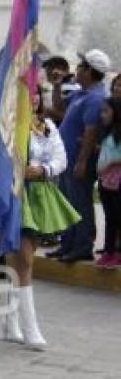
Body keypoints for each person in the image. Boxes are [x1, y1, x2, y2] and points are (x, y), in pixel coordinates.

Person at [0, 95, 80, 349]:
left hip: (39, 195)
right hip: (11, 195)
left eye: (35, 94)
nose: (30, 99)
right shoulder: (4, 126)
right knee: (23, 259)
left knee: (21, 258)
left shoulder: (47, 126)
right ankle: (30, 326)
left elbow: (60, 158)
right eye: (24, 93)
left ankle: (11, 322)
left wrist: (43, 170)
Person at [52, 49, 111, 263]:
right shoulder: (81, 93)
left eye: (80, 65)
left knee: (80, 203)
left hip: (78, 160)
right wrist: (57, 85)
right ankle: (67, 243)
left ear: (89, 71)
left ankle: (83, 246)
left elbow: (90, 132)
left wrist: (82, 162)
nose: (76, 69)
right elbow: (58, 107)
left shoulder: (96, 98)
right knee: (67, 202)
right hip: (67, 159)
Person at [96, 98, 121, 268]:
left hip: (117, 180)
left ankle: (116, 253)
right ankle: (108, 251)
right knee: (110, 217)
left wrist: (111, 163)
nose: (102, 115)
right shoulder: (108, 132)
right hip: (105, 181)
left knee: (118, 217)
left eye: (106, 111)